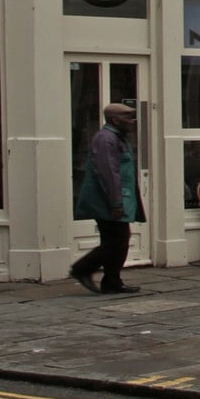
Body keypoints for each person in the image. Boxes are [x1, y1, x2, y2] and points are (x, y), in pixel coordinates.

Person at [70, 102, 142, 294]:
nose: (132, 121)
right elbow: (108, 172)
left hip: (117, 199)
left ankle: (112, 281)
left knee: (118, 241)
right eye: (128, 117)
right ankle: (82, 269)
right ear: (114, 120)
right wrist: (116, 202)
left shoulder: (117, 138)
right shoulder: (106, 139)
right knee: (115, 241)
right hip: (107, 201)